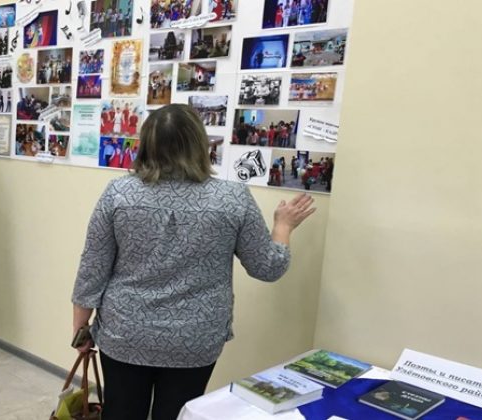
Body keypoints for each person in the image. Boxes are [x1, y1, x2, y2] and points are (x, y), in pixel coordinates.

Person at [70, 104, 315, 420]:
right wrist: (283, 226)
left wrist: (80, 328)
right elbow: (268, 267)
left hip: (125, 333)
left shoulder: (120, 193)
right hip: (195, 338)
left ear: (147, 143)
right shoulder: (233, 197)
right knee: (178, 414)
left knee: (122, 412)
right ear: (201, 143)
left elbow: (93, 266)